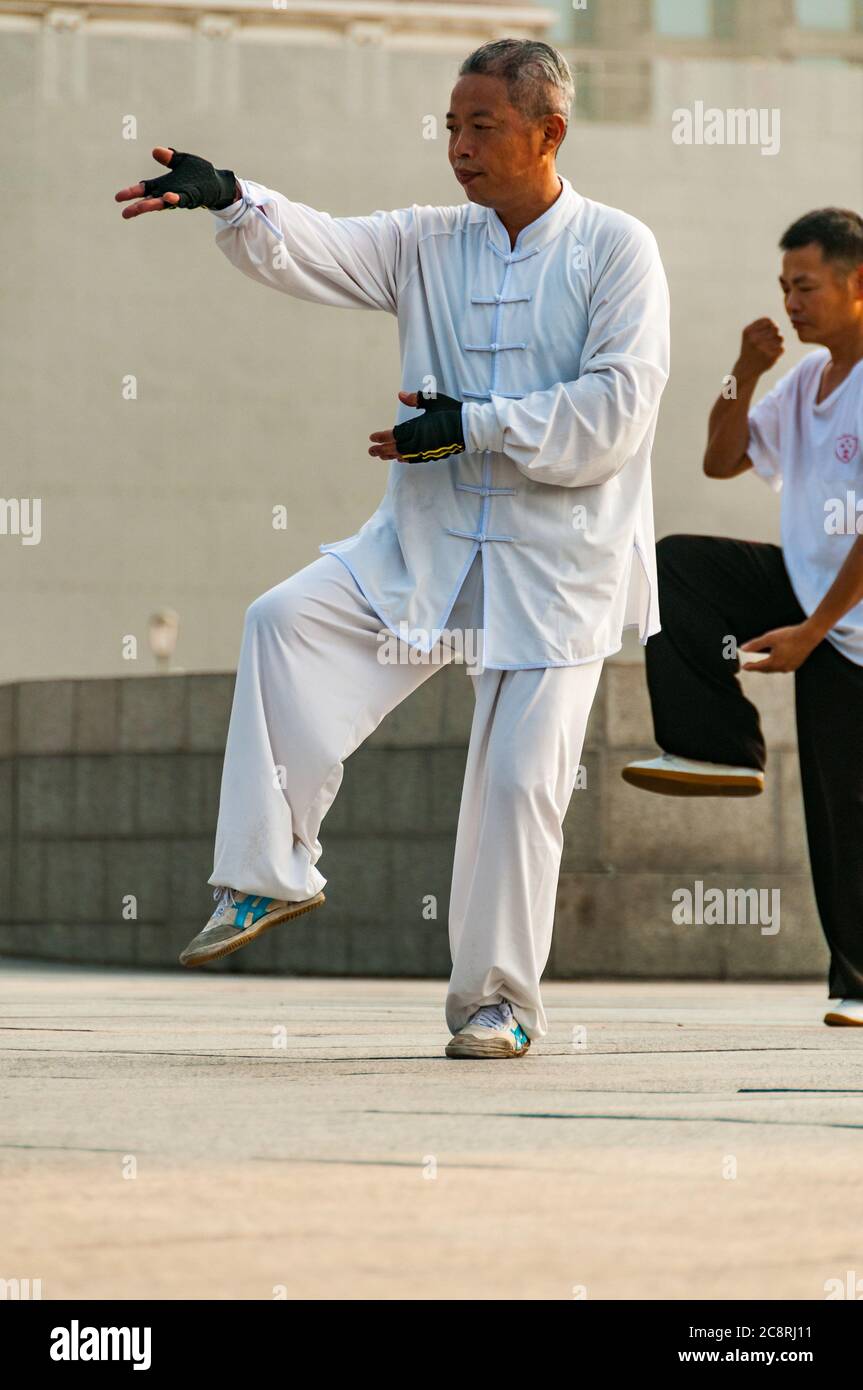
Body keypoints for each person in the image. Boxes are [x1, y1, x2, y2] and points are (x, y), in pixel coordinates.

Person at [115, 38, 670, 1058]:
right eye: (449, 126)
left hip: (560, 570)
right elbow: (320, 245)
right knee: (282, 622)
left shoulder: (617, 249)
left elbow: (618, 411)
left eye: (480, 127)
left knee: (515, 785)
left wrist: (478, 424)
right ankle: (268, 875)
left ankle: (495, 1003)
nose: (456, 146)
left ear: (548, 131)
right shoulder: (425, 241)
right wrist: (235, 197)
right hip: (429, 546)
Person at [623, 208, 863, 1028]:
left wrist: (813, 631)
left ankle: (857, 986)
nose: (790, 303)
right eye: (783, 288)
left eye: (806, 286)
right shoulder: (803, 382)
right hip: (809, 597)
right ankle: (716, 746)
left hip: (847, 616)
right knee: (677, 564)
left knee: (845, 809)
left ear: (856, 284)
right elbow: (718, 459)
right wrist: (743, 370)